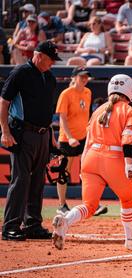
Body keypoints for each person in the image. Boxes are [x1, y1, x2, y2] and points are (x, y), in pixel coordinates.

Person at [52, 74, 132, 250]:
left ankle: (66, 221)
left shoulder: (98, 110)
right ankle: (130, 239)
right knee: (127, 199)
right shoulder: (130, 111)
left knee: (89, 205)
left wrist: (83, 166)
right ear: (129, 91)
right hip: (114, 158)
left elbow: (88, 142)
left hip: (91, 158)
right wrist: (129, 164)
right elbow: (127, 139)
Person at [1, 41, 61, 241]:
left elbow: (47, 110)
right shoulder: (21, 72)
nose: (52, 63)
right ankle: (10, 226)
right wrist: (5, 132)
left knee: (37, 180)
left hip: (43, 134)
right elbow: (4, 101)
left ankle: (32, 224)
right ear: (39, 55)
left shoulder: (50, 77)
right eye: (51, 59)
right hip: (22, 133)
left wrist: (51, 136)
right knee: (21, 180)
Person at [55, 66, 92, 215]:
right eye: (81, 76)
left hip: (84, 136)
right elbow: (62, 118)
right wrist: (70, 138)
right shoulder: (66, 94)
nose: (84, 79)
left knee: (89, 170)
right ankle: (61, 205)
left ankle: (90, 203)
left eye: (86, 76)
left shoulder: (88, 92)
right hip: (67, 139)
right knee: (64, 171)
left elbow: (86, 115)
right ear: (74, 77)